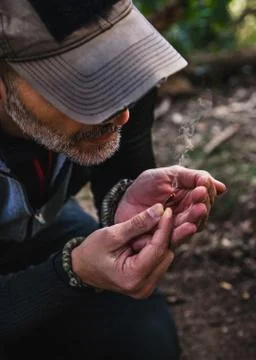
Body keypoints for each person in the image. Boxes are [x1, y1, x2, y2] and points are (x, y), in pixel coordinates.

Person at [0, 0, 226, 359]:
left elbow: (123, 165)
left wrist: (121, 205)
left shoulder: (126, 94)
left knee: (143, 343)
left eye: (117, 63)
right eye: (84, 82)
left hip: (42, 227)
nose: (121, 112)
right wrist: (71, 272)